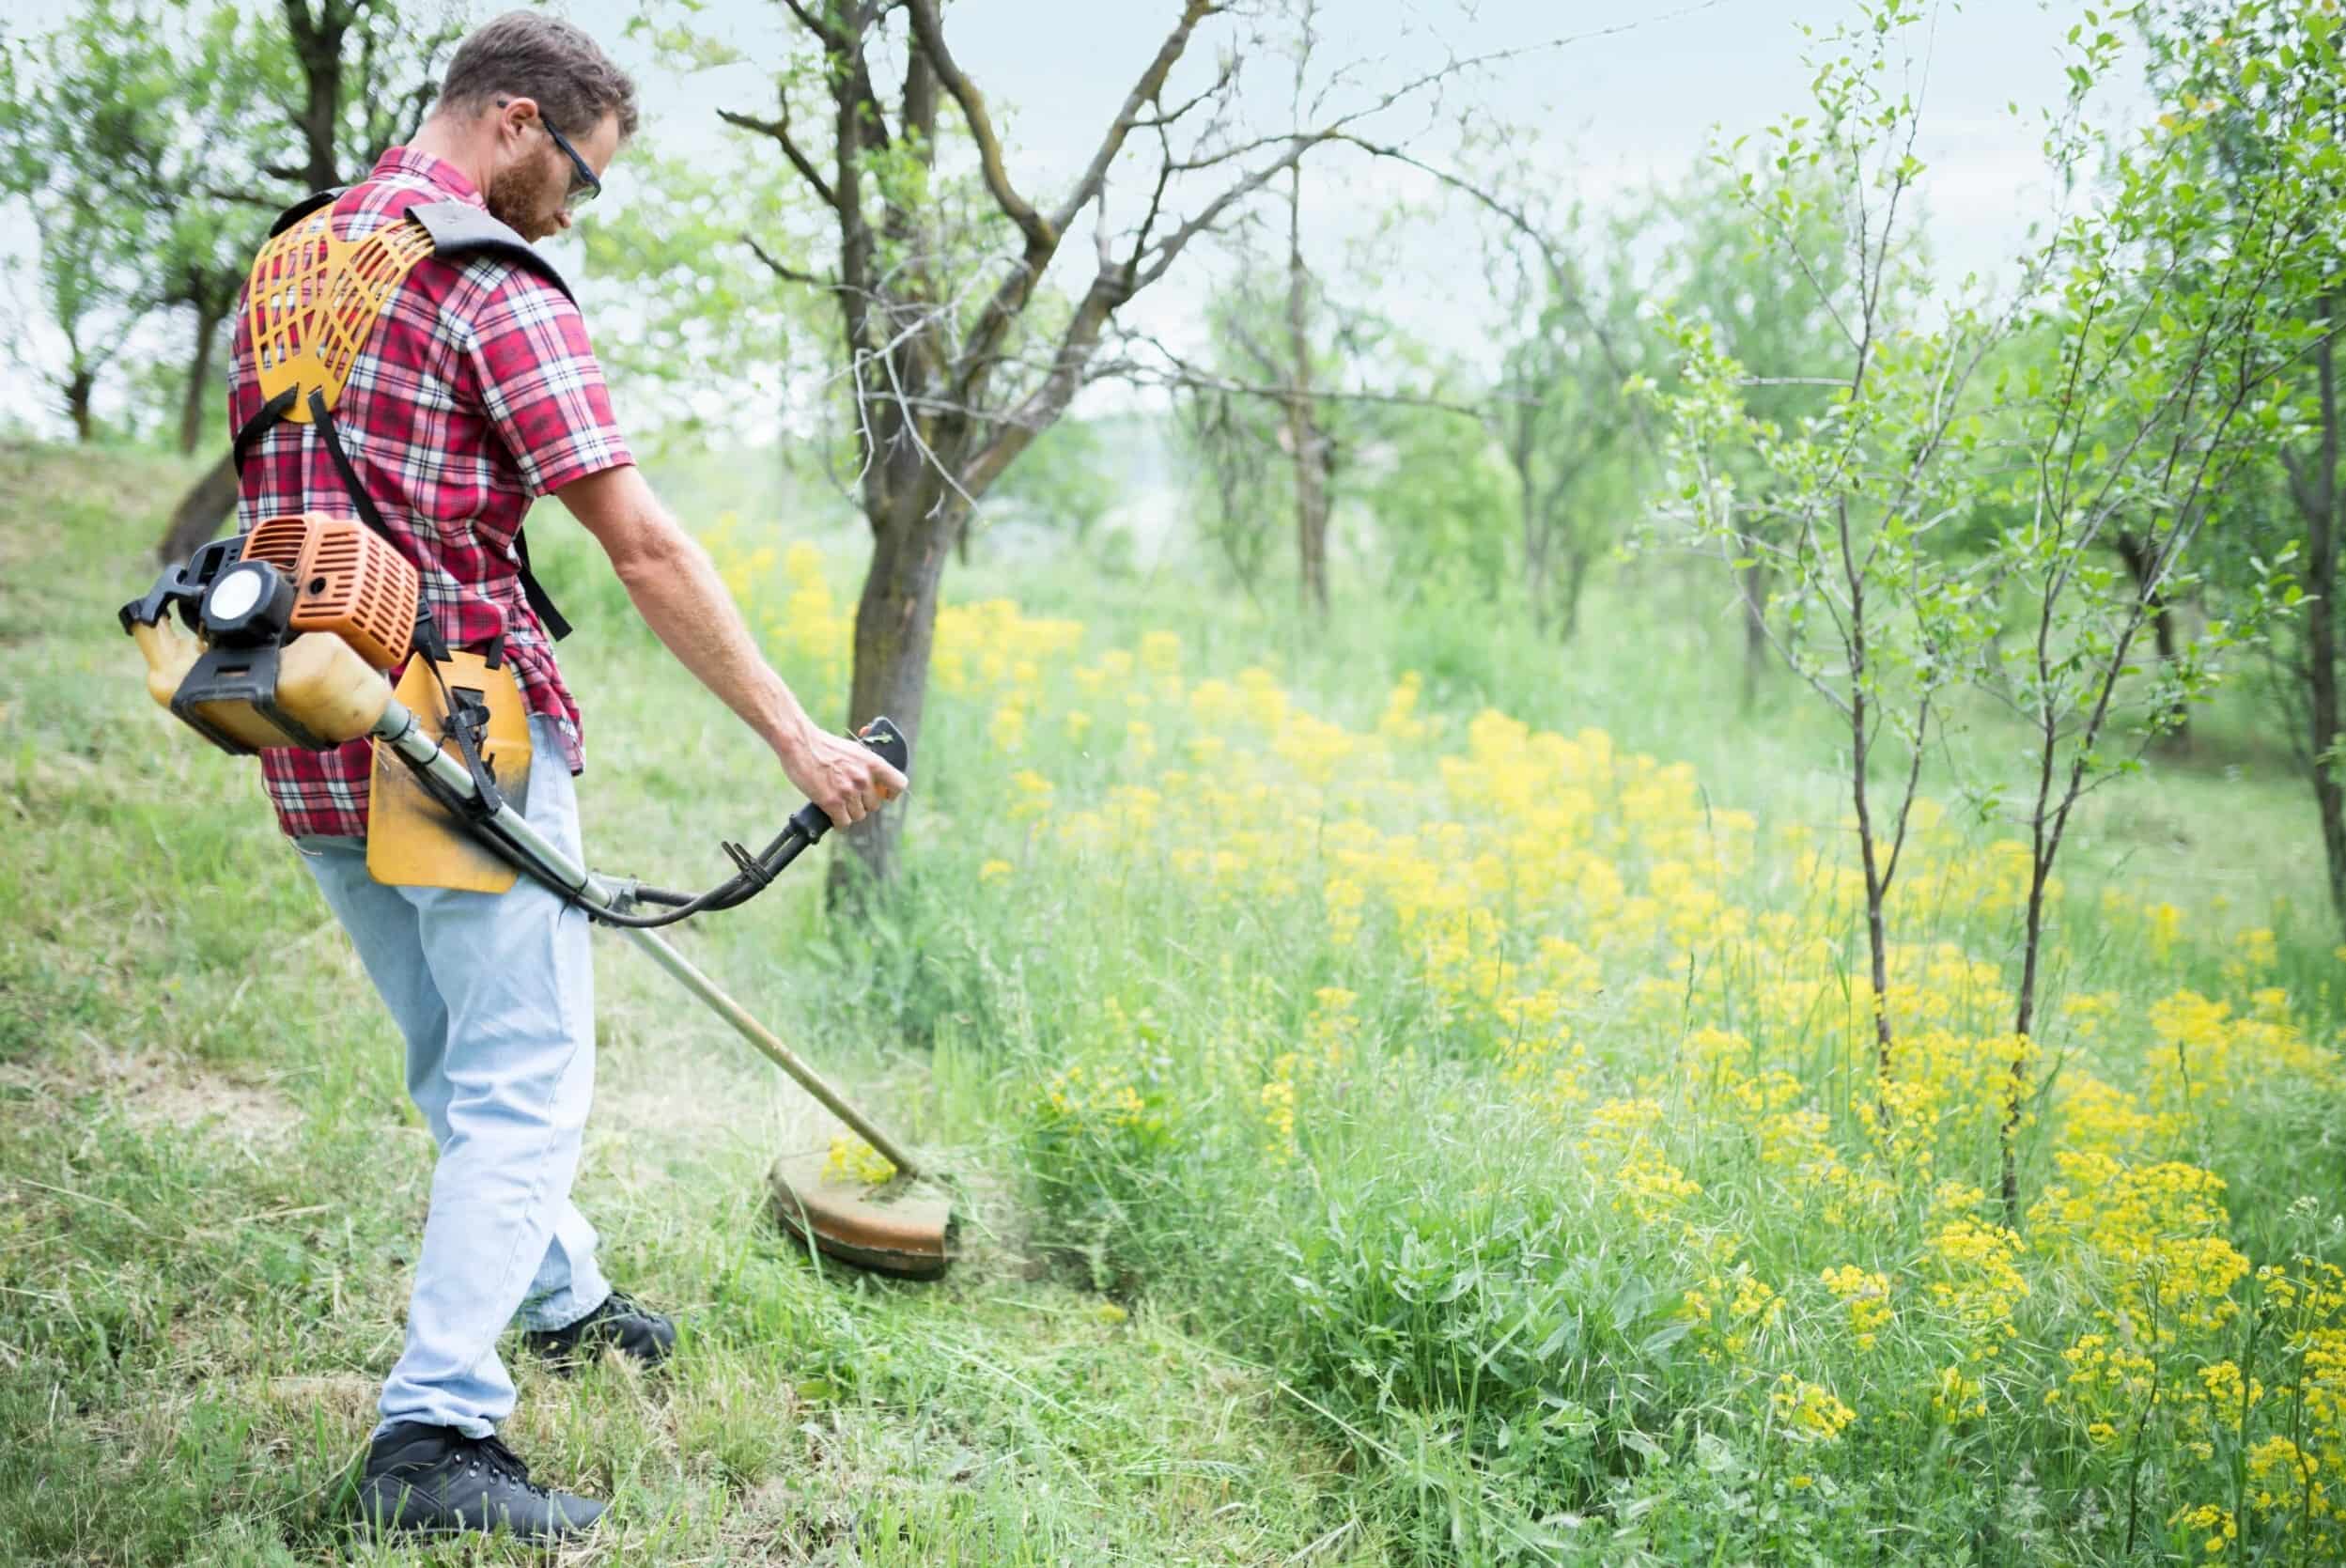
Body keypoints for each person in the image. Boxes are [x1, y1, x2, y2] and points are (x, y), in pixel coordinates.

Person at [225, 11, 906, 1542]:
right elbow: (640, 539)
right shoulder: (485, 275)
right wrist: (799, 737)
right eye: (582, 179)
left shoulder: (296, 261)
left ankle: (564, 1293)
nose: (576, 212)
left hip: (301, 713)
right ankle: (435, 1434)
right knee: (524, 1083)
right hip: (458, 726)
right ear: (517, 121)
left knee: (450, 1050)